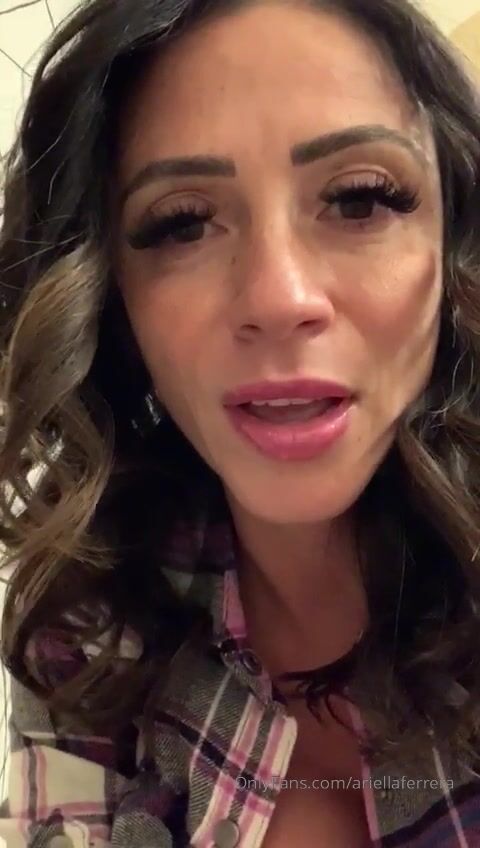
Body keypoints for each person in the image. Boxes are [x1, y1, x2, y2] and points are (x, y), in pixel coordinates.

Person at [0, 0, 480, 844]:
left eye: (360, 200)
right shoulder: (86, 628)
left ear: (455, 242)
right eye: (182, 222)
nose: (279, 297)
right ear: (113, 297)